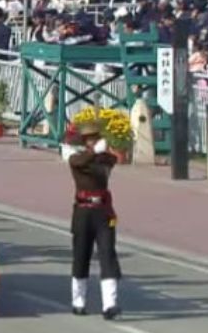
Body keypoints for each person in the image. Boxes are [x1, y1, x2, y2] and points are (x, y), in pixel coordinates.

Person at [69, 120, 122, 320]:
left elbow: (111, 161)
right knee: (81, 255)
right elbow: (80, 163)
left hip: (103, 211)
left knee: (108, 254)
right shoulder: (76, 159)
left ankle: (110, 304)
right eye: (90, 139)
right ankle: (78, 301)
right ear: (85, 142)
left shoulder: (104, 159)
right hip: (83, 211)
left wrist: (101, 151)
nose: (94, 141)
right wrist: (93, 153)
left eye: (96, 138)